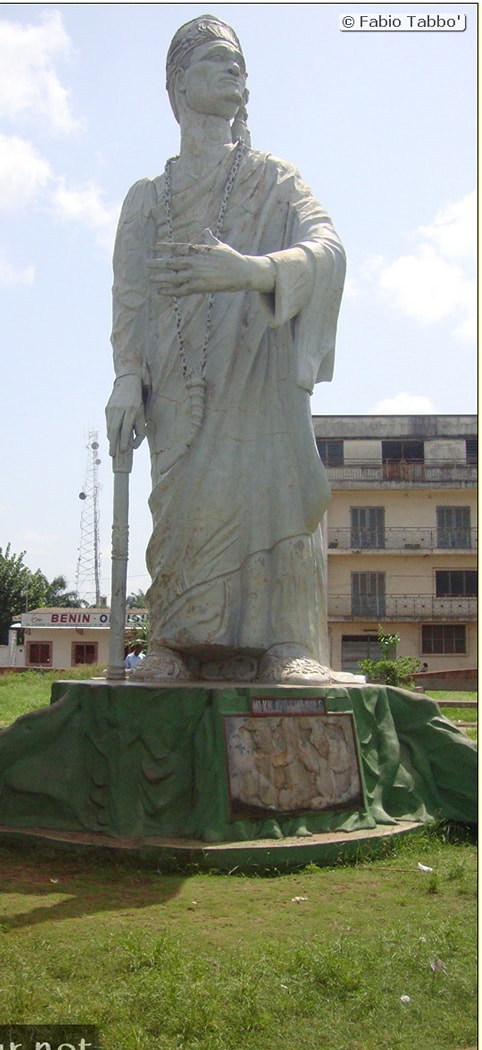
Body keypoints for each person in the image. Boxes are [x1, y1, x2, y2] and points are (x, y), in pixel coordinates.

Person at [106, 15, 361, 685]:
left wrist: (248, 272)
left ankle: (285, 648)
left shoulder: (275, 181)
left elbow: (328, 251)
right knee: (183, 510)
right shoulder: (148, 200)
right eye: (216, 61)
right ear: (178, 84)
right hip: (179, 392)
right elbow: (130, 297)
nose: (234, 73)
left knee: (276, 492)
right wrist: (126, 380)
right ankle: (173, 646)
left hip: (260, 382)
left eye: (239, 65)